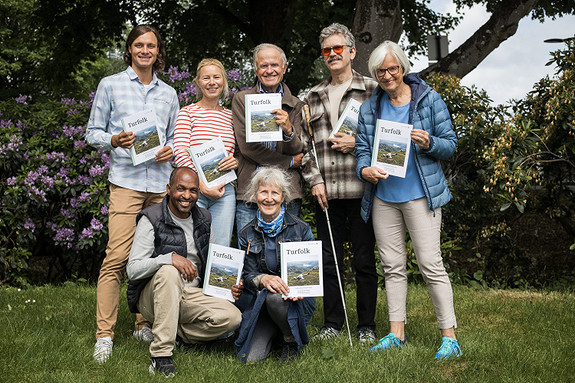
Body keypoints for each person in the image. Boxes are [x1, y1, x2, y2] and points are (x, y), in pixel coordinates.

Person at [355, 40, 462, 359]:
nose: (387, 75)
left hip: (421, 197)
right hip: (383, 198)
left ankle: (449, 337)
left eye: (393, 68)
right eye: (381, 71)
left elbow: (450, 144)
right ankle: (395, 333)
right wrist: (365, 170)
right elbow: (362, 149)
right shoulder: (369, 107)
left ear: (403, 68)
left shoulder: (429, 100)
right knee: (392, 267)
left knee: (431, 264)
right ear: (375, 73)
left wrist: (430, 141)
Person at [86, 25, 180, 363]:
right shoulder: (110, 85)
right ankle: (105, 335)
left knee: (154, 257)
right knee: (117, 257)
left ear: (158, 52)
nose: (145, 50)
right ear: (130, 50)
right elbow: (91, 132)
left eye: (151, 46)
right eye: (138, 45)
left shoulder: (169, 93)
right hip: (126, 181)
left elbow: (173, 138)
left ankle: (143, 322)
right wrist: (114, 140)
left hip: (159, 185)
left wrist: (170, 150)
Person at [301, 23, 379, 344]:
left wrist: (358, 140)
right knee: (329, 260)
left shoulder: (372, 89)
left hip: (360, 190)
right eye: (327, 50)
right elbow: (305, 146)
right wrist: (313, 181)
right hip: (325, 192)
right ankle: (332, 323)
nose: (332, 54)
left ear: (351, 51)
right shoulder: (312, 96)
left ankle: (366, 327)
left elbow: (388, 136)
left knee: (363, 259)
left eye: (338, 48)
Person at [126, 167, 242, 376]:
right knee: (169, 272)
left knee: (232, 318)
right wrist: (167, 258)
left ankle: (174, 333)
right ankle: (161, 355)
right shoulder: (151, 218)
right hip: (154, 295)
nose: (187, 196)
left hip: (191, 294)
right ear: (169, 189)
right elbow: (132, 270)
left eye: (193, 190)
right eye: (181, 189)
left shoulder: (204, 217)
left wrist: (227, 285)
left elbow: (212, 263)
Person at [234, 167, 316, 363]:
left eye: (274, 193)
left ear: (283, 197)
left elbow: (312, 271)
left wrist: (301, 286)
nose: (268, 198)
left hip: (294, 301)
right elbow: (246, 275)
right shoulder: (246, 233)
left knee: (275, 298)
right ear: (255, 196)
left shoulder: (301, 229)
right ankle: (279, 333)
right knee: (251, 358)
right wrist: (262, 279)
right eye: (263, 192)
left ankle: (290, 340)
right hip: (260, 304)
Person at [232, 43, 306, 236]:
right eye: (263, 66)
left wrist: (288, 129)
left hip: (286, 191)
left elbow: (298, 148)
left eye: (274, 65)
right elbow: (247, 148)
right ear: (256, 70)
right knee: (249, 249)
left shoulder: (296, 104)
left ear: (284, 67)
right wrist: (288, 162)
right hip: (249, 189)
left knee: (286, 251)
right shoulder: (242, 100)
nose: (269, 70)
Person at [174, 58, 238, 246]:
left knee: (220, 246)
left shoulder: (231, 116)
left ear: (224, 81)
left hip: (225, 191)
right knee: (192, 246)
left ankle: (212, 278)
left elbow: (240, 152)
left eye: (216, 77)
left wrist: (237, 162)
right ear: (198, 83)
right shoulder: (187, 112)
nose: (212, 82)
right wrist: (200, 186)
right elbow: (180, 152)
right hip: (193, 191)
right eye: (206, 78)